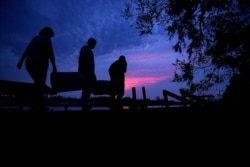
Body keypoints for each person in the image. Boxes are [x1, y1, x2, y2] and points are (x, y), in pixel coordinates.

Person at [17, 26, 57, 112]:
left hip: (29, 63)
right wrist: (54, 66)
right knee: (40, 84)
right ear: (48, 33)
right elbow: (50, 53)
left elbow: (26, 51)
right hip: (40, 62)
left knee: (38, 84)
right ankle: (38, 106)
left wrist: (20, 61)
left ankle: (35, 105)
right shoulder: (47, 39)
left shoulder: (35, 38)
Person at [78, 37, 97, 111]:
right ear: (92, 43)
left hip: (87, 72)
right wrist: (89, 73)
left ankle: (84, 103)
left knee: (87, 88)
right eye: (94, 44)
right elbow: (84, 61)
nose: (95, 46)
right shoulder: (86, 49)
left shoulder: (86, 49)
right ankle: (84, 103)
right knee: (88, 88)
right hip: (87, 73)